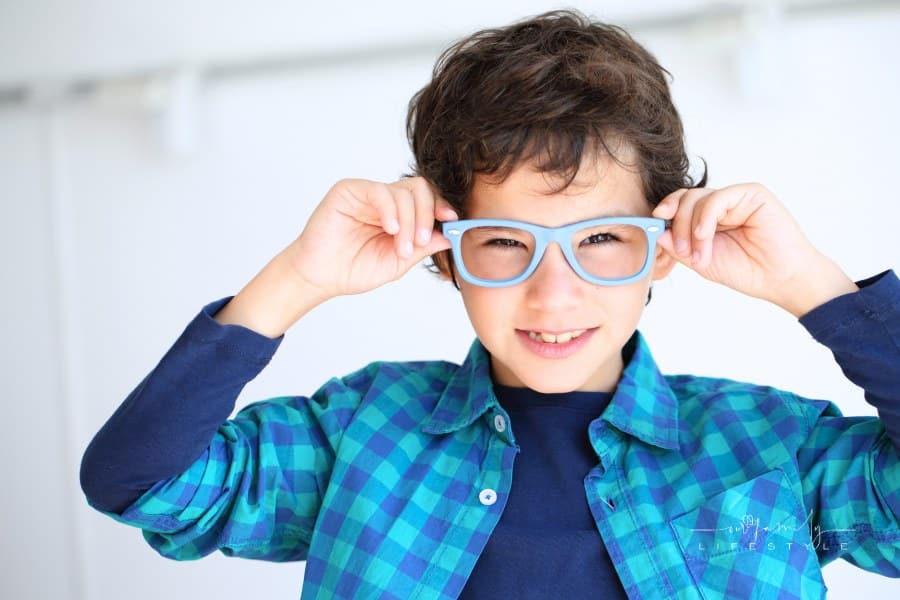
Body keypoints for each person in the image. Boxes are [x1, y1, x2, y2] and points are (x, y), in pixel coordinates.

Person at [80, 9, 900, 599]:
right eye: (507, 242)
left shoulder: (772, 453)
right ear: (449, 250)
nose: (554, 293)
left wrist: (815, 288)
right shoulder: (364, 435)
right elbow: (139, 479)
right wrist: (300, 275)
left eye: (601, 240)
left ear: (662, 244)